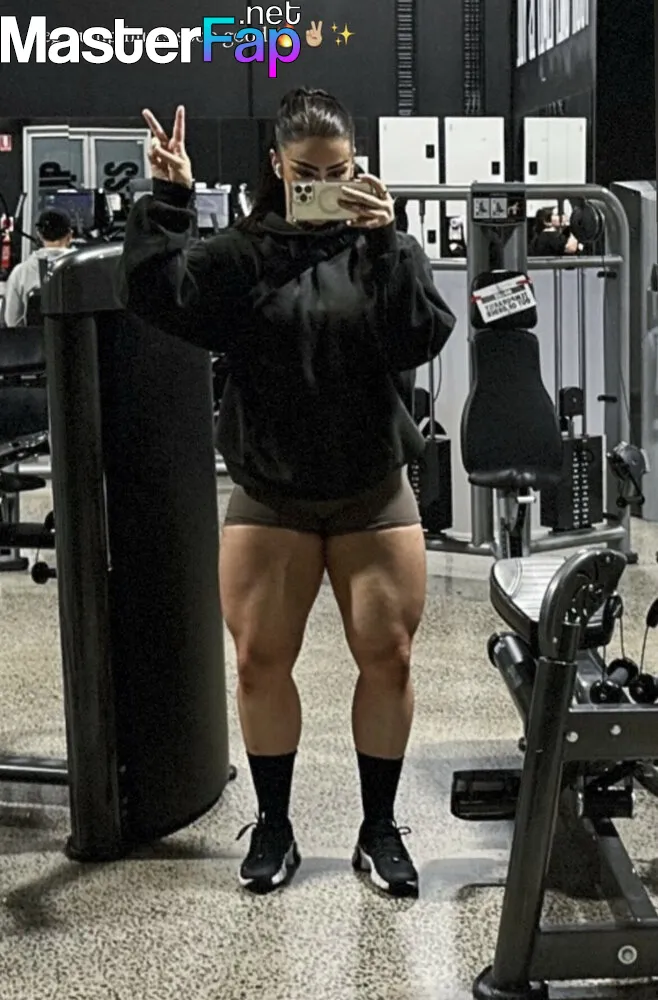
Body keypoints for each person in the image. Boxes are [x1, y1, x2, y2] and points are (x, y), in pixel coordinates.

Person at [120, 88, 455, 898]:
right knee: (259, 662)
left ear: (359, 166)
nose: (325, 187)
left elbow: (418, 336)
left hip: (370, 486)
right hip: (272, 488)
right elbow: (156, 293)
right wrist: (169, 197)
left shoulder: (382, 250)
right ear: (277, 165)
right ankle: (274, 826)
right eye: (308, 174)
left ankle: (380, 828)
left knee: (390, 657)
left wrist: (386, 241)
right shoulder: (243, 254)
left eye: (340, 173)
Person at [2, 208, 73, 327]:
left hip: (34, 338)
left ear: (39, 234)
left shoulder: (21, 273)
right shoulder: (89, 269)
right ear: (70, 235)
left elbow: (12, 322)